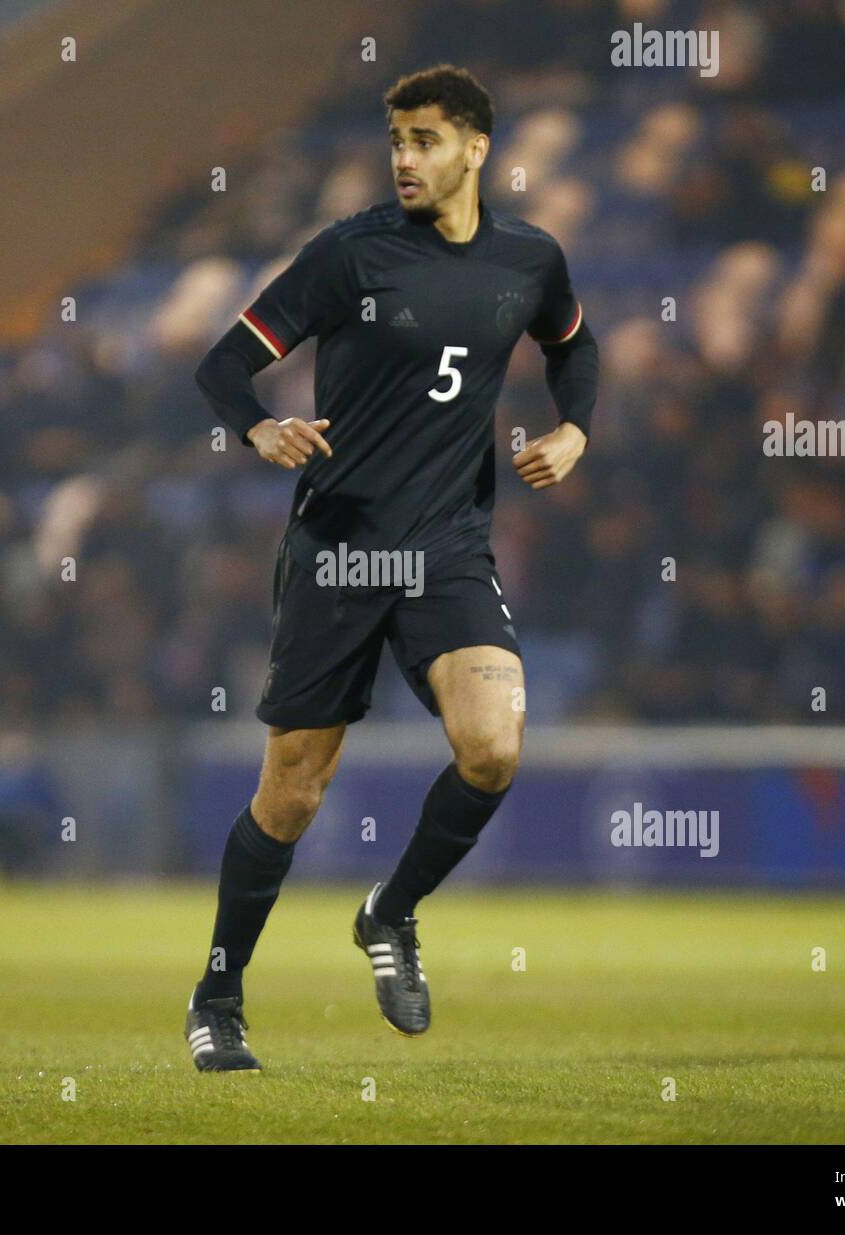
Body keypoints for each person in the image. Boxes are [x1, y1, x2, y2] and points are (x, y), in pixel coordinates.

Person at [189, 63, 599, 1071]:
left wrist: (576, 429)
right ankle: (217, 993)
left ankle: (390, 910)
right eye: (397, 141)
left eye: (424, 139)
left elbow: (575, 347)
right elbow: (223, 362)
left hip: (447, 549)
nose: (405, 158)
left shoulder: (528, 259)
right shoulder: (352, 253)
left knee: (493, 743)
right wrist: (260, 428)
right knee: (291, 790)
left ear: (476, 149)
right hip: (337, 549)